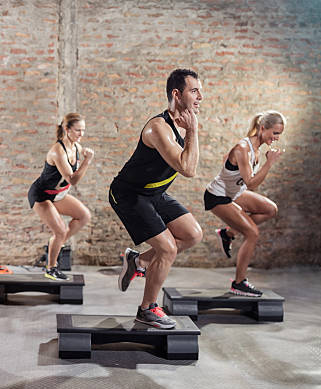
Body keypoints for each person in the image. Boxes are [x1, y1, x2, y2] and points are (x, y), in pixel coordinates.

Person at [109, 68, 204, 329]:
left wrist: (191, 130)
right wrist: (194, 131)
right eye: (194, 91)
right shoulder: (157, 128)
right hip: (128, 194)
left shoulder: (183, 125)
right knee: (168, 248)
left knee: (193, 235)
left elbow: (190, 166)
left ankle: (137, 261)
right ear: (177, 94)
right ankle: (147, 309)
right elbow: (188, 169)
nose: (200, 97)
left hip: (154, 193)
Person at [204, 111, 285, 296]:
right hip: (218, 197)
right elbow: (252, 184)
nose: (277, 138)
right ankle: (239, 283)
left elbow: (230, 163)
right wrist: (269, 164)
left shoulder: (254, 148)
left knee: (271, 209)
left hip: (234, 193)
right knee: (252, 234)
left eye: (279, 134)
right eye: (275, 133)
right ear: (263, 128)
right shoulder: (243, 148)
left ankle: (228, 233)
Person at [28, 113, 94, 280]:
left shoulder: (77, 148)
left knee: (84, 216)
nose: (81, 134)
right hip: (41, 195)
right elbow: (72, 179)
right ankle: (51, 268)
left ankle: (54, 245)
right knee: (60, 230)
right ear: (67, 129)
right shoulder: (58, 151)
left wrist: (84, 156)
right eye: (78, 130)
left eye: (83, 130)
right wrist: (87, 161)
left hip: (58, 195)